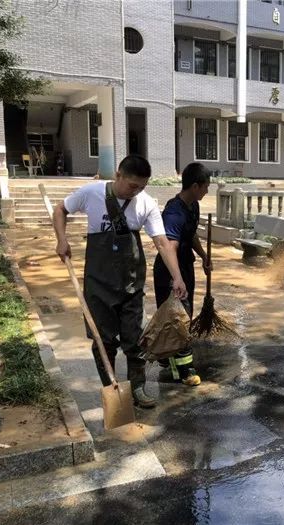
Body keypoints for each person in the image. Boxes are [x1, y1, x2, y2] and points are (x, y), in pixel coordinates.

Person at [53, 155, 187, 408]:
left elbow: (161, 242)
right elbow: (60, 209)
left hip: (131, 282)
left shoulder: (145, 203)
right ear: (118, 176)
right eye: (132, 186)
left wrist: (177, 276)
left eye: (142, 186)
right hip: (98, 282)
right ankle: (111, 390)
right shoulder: (91, 193)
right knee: (102, 340)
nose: (136, 191)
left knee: (135, 338)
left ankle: (137, 388)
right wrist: (61, 239)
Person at [154, 162, 212, 386]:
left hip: (185, 266)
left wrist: (204, 256)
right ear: (195, 186)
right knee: (178, 318)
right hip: (170, 270)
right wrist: (177, 279)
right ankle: (185, 371)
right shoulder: (174, 212)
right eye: (206, 187)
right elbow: (170, 247)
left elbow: (192, 235)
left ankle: (166, 354)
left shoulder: (193, 206)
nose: (207, 191)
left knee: (181, 316)